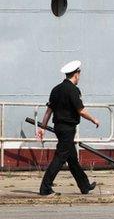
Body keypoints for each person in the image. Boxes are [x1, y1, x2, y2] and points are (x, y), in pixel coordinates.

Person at [37, 60, 100, 196]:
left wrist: (42, 127)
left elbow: (49, 111)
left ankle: (85, 186)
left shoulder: (56, 89)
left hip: (59, 127)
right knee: (60, 157)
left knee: (72, 159)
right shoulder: (73, 90)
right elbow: (81, 110)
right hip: (67, 129)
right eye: (79, 74)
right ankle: (45, 188)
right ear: (76, 74)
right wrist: (94, 119)